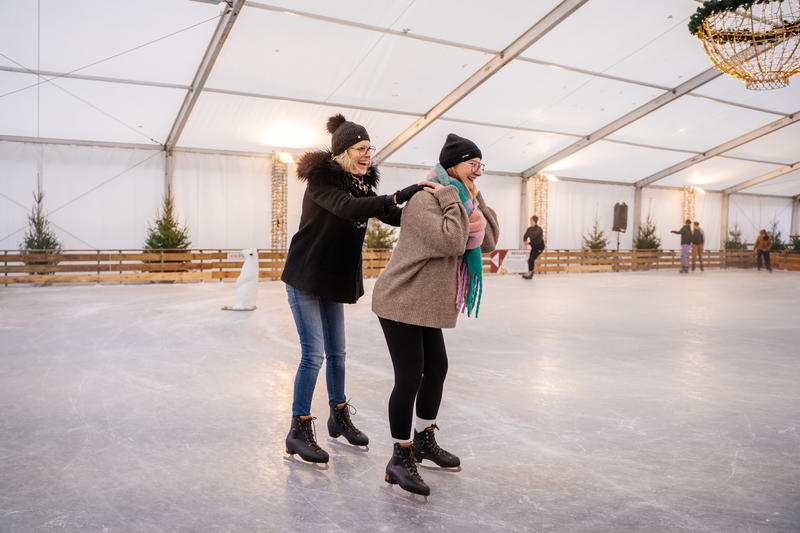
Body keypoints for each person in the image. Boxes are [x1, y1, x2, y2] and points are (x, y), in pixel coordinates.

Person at [281, 114, 423, 463]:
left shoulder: (360, 186)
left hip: (331, 280)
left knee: (339, 355)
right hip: (305, 277)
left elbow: (391, 215)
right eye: (361, 149)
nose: (367, 155)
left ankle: (338, 416)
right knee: (313, 355)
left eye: (369, 149)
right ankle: (298, 429)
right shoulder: (322, 183)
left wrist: (425, 206)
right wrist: (396, 195)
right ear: (343, 152)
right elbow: (349, 209)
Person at [372, 133, 500, 496]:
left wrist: (476, 201)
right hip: (401, 298)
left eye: (480, 165)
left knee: (437, 369)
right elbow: (451, 242)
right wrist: (451, 196)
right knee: (410, 376)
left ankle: (424, 439)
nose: (478, 171)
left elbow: (487, 242)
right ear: (452, 165)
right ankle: (400, 456)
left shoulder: (462, 200)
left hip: (426, 302)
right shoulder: (424, 200)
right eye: (472, 164)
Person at [521, 215, 545, 279]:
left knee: (531, 259)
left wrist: (529, 243)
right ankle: (530, 272)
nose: (530, 222)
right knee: (530, 260)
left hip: (539, 247)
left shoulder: (539, 229)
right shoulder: (529, 229)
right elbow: (525, 235)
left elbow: (538, 240)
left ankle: (530, 273)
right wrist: (525, 240)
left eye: (531, 221)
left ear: (535, 221)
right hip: (534, 247)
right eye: (530, 221)